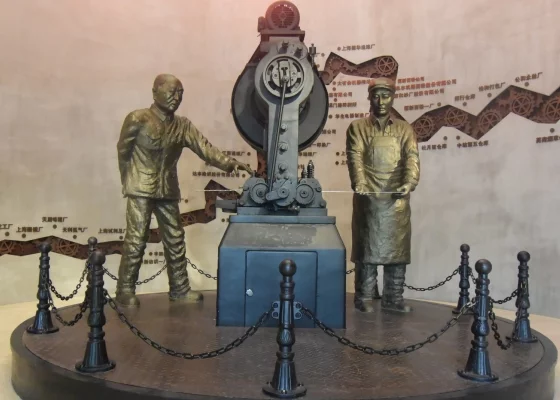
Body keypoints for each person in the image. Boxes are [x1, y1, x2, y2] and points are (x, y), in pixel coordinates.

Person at [116, 73, 252, 307]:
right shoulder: (138, 119)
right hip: (140, 188)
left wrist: (230, 163)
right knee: (136, 239)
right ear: (155, 91)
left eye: (180, 93)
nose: (176, 97)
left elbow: (205, 148)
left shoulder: (183, 125)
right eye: (171, 92)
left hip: (167, 189)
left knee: (175, 238)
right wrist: (129, 181)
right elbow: (123, 152)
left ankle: (179, 288)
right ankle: (125, 290)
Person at [345, 77, 420, 313]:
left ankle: (393, 297)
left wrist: (409, 183)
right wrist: (360, 184)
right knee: (368, 250)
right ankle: (364, 296)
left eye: (386, 95)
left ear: (393, 97)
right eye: (376, 95)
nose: (381, 101)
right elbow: (355, 157)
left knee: (396, 252)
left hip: (396, 200)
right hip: (368, 198)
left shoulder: (404, 129)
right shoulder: (357, 127)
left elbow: (412, 158)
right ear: (369, 97)